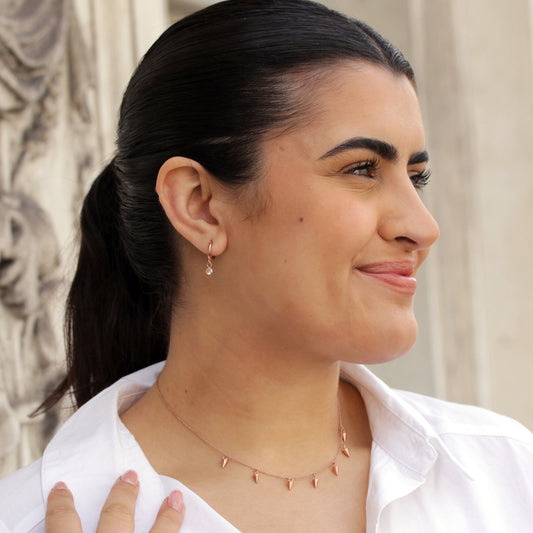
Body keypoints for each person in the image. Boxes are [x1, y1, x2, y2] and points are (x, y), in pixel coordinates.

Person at [1, 0, 532, 531]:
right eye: (362, 169)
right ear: (200, 206)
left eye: (415, 177)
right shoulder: (29, 518)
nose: (422, 226)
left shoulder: (505, 475)